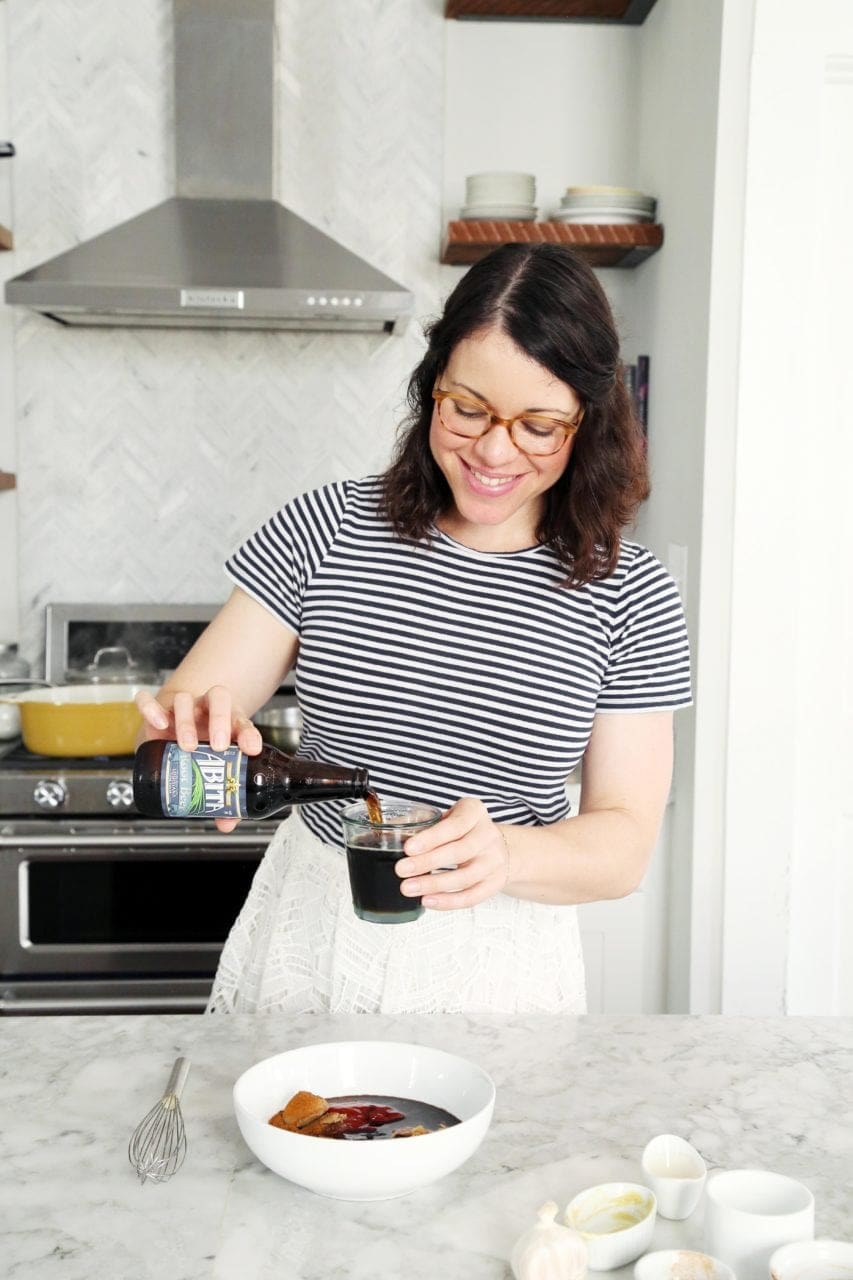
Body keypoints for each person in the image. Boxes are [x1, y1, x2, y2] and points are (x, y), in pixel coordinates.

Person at [137, 243, 692, 1015]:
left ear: (587, 422)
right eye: (467, 409)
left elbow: (622, 845)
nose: (493, 451)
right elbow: (194, 710)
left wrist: (504, 853)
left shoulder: (629, 591)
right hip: (315, 939)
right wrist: (195, 731)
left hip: (501, 965)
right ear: (431, 387)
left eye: (537, 426)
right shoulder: (325, 528)